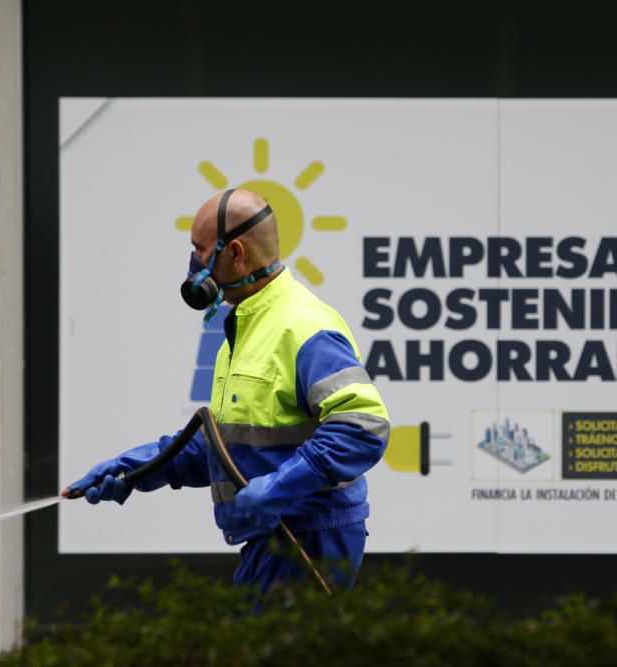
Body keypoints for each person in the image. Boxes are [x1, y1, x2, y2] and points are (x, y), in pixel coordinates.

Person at [62, 188, 390, 593]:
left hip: (308, 539)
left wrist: (279, 486)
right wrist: (135, 468)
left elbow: (363, 427)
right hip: (272, 540)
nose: (193, 262)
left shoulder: (303, 325)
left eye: (201, 250)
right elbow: (224, 448)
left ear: (235, 252)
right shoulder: (245, 327)